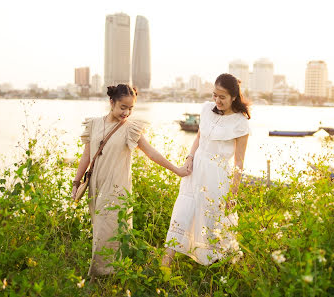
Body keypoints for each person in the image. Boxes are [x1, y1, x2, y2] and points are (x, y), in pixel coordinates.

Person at [71, 84, 189, 277]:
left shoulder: (130, 129)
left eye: (131, 108)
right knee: (99, 232)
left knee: (108, 233)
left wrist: (177, 170)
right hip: (96, 187)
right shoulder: (93, 124)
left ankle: (99, 277)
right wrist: (76, 183)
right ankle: (110, 277)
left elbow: (151, 153)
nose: (126, 112)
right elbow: (86, 157)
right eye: (123, 107)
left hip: (116, 189)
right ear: (111, 102)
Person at [163, 73, 250, 266]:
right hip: (195, 172)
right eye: (215, 95)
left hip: (217, 177)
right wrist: (189, 157)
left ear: (233, 97)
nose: (217, 100)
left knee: (212, 222)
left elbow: (239, 162)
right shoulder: (206, 109)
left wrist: (233, 194)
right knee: (181, 214)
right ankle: (164, 267)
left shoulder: (240, 123)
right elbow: (198, 139)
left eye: (222, 97)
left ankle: (212, 267)